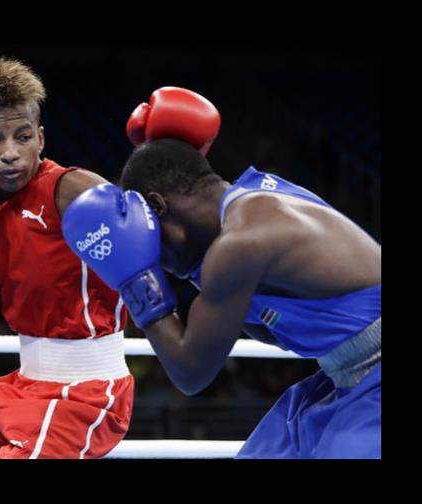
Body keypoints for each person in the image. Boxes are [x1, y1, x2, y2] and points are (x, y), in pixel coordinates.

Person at [61, 87, 381, 458]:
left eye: (151, 242)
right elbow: (271, 333)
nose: (159, 262)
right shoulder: (250, 201)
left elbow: (191, 373)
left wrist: (135, 279)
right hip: (344, 377)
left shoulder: (242, 243)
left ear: (158, 206)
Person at [0, 57, 133, 459]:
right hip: (22, 385)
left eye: (22, 137)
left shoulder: (69, 189)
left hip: (85, 393)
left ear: (40, 138)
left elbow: (140, 231)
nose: (10, 153)